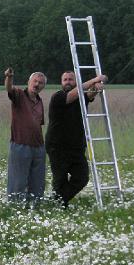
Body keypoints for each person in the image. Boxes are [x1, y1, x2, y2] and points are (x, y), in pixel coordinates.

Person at [45, 70, 107, 207]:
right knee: (60, 179)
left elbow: (89, 95)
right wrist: (94, 80)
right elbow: (73, 94)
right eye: (65, 79)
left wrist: (97, 86)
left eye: (71, 79)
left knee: (82, 177)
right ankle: (60, 204)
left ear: (75, 81)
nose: (68, 82)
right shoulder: (58, 97)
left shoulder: (81, 97)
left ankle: (58, 200)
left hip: (76, 147)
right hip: (57, 146)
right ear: (61, 83)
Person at [4, 67, 47, 203]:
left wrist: (41, 146)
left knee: (37, 180)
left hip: (38, 147)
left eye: (40, 83)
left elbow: (38, 124)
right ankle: (15, 206)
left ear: (43, 86)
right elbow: (9, 89)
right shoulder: (19, 95)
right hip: (20, 145)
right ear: (29, 82)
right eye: (35, 81)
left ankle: (35, 204)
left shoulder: (39, 102)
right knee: (18, 180)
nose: (37, 84)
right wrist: (9, 77)